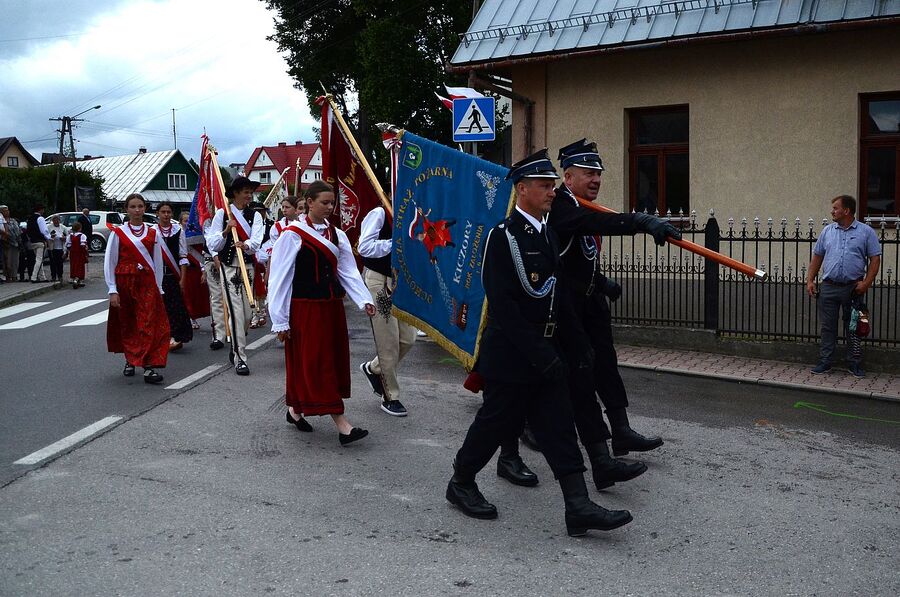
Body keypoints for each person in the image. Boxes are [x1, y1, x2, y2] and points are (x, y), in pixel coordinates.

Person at [445, 150, 632, 537]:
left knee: (559, 425)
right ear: (522, 189)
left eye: (552, 185)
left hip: (545, 352)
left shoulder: (546, 232)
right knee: (494, 424)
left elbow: (558, 296)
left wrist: (578, 346)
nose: (553, 191)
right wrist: (542, 356)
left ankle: (577, 506)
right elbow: (505, 307)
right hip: (511, 356)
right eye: (546, 186)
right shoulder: (502, 238)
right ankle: (461, 481)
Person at [513, 139, 680, 491]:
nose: (596, 180)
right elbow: (596, 228)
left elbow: (575, 257)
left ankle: (618, 432)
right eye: (589, 173)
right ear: (568, 177)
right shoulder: (563, 208)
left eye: (599, 174)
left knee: (604, 365)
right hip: (565, 308)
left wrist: (602, 283)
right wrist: (641, 221)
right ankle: (521, 445)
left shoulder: (580, 206)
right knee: (571, 378)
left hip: (590, 304)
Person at [268, 180, 376, 445]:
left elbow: (347, 270)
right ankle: (343, 425)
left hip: (331, 308)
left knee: (326, 360)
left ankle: (295, 411)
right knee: (317, 363)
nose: (330, 207)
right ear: (309, 202)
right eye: (324, 202)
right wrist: (280, 320)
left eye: (332, 203)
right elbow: (280, 278)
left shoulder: (336, 234)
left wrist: (364, 299)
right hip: (305, 308)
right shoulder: (292, 234)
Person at [806, 195, 881, 378]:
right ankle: (826, 361)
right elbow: (817, 257)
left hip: (853, 288)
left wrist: (866, 284)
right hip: (829, 286)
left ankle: (854, 363)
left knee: (853, 327)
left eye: (835, 208)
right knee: (827, 326)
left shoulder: (866, 232)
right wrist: (810, 279)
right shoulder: (828, 232)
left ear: (846, 211)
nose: (832, 211)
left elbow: (875, 259)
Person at [357, 203, 416, 417]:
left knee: (408, 339)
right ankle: (390, 395)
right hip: (380, 282)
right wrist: (395, 244)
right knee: (388, 341)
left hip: (401, 283)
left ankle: (373, 368)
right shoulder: (380, 212)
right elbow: (364, 247)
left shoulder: (415, 212)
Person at [104, 193, 169, 384]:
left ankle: (148, 365)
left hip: (147, 285)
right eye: (133, 206)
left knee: (148, 323)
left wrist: (159, 287)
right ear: (127, 209)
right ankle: (130, 359)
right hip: (125, 285)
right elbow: (110, 261)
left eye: (140, 206)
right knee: (129, 323)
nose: (137, 210)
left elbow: (157, 262)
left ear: (145, 208)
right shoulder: (118, 233)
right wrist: (112, 289)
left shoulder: (152, 233)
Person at [204, 176, 264, 375]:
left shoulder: (255, 216)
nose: (249, 195)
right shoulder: (222, 214)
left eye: (250, 192)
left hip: (247, 267)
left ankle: (235, 344)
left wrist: (245, 245)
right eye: (245, 191)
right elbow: (213, 244)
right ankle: (240, 357)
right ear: (236, 193)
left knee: (247, 314)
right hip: (229, 267)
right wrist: (226, 231)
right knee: (236, 312)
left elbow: (256, 240)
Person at [154, 202, 193, 351]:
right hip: (158, 276)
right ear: (157, 213)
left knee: (175, 307)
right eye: (163, 212)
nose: (166, 215)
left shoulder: (178, 230)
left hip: (173, 275)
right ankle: (162, 337)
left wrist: (182, 278)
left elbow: (183, 255)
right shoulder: (152, 231)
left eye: (168, 212)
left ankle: (175, 337)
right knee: (160, 308)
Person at [179, 211, 209, 329]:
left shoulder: (196, 236)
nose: (187, 223)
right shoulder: (178, 234)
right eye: (185, 221)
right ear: (180, 222)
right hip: (185, 270)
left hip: (196, 270)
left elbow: (201, 254)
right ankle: (190, 318)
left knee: (198, 296)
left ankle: (195, 317)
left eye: (189, 221)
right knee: (186, 296)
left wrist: (203, 270)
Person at [249, 201, 271, 329]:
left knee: (262, 288)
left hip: (266, 261)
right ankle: (254, 316)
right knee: (252, 288)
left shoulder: (271, 225)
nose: (257, 213)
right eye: (255, 211)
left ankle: (262, 312)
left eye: (260, 211)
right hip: (252, 259)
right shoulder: (248, 224)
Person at [25, 204, 51, 282]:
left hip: (32, 241)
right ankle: (34, 277)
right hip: (39, 241)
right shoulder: (40, 218)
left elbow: (28, 231)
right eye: (43, 209)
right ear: (40, 210)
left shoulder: (30, 219)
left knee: (39, 259)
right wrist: (48, 238)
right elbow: (44, 231)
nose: (43, 211)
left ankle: (42, 277)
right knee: (39, 260)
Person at [65, 221, 88, 288]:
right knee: (80, 265)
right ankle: (78, 279)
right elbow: (83, 245)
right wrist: (85, 251)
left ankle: (74, 277)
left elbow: (68, 245)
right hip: (80, 253)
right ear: (80, 228)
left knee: (73, 265)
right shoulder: (82, 235)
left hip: (72, 253)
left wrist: (69, 251)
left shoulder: (70, 236)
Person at [47, 214, 68, 285]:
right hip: (52, 247)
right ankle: (53, 276)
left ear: (59, 220)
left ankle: (60, 276)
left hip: (60, 247)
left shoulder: (63, 227)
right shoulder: (49, 227)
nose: (56, 221)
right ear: (52, 221)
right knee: (52, 262)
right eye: (54, 220)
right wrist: (51, 237)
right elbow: (46, 236)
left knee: (60, 263)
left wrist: (64, 238)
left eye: (57, 220)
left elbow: (67, 237)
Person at [0, 205, 19, 283]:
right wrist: (6, 234)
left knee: (15, 261)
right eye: (5, 210)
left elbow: (18, 231)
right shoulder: (1, 219)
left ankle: (14, 276)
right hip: (6, 242)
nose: (7, 212)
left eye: (8, 210)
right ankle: (8, 277)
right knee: (7, 261)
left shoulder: (13, 220)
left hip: (15, 242)